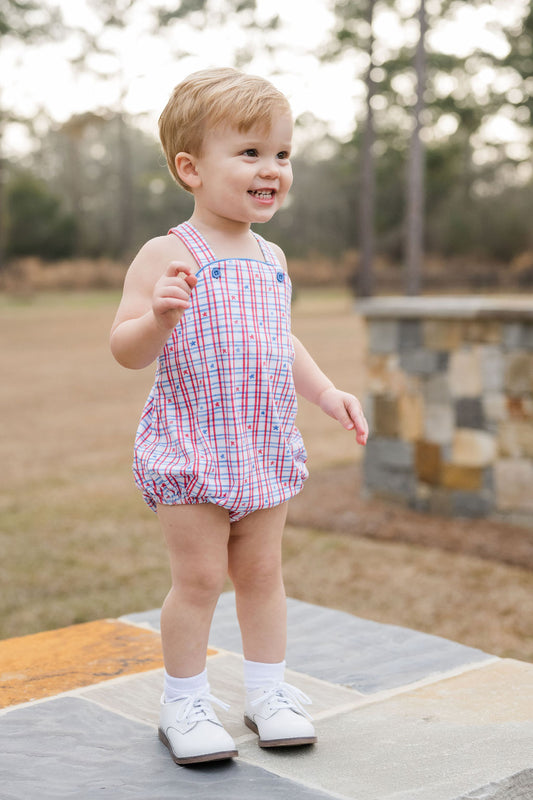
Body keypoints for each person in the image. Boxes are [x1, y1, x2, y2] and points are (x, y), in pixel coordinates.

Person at [110, 67, 368, 767]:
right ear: (190, 168)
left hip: (261, 446)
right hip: (192, 447)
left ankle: (268, 694)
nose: (271, 169)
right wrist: (158, 317)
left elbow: (276, 340)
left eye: (281, 154)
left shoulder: (271, 256)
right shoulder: (167, 254)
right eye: (249, 153)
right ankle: (185, 701)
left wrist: (326, 393)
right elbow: (124, 350)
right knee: (197, 580)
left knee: (261, 575)